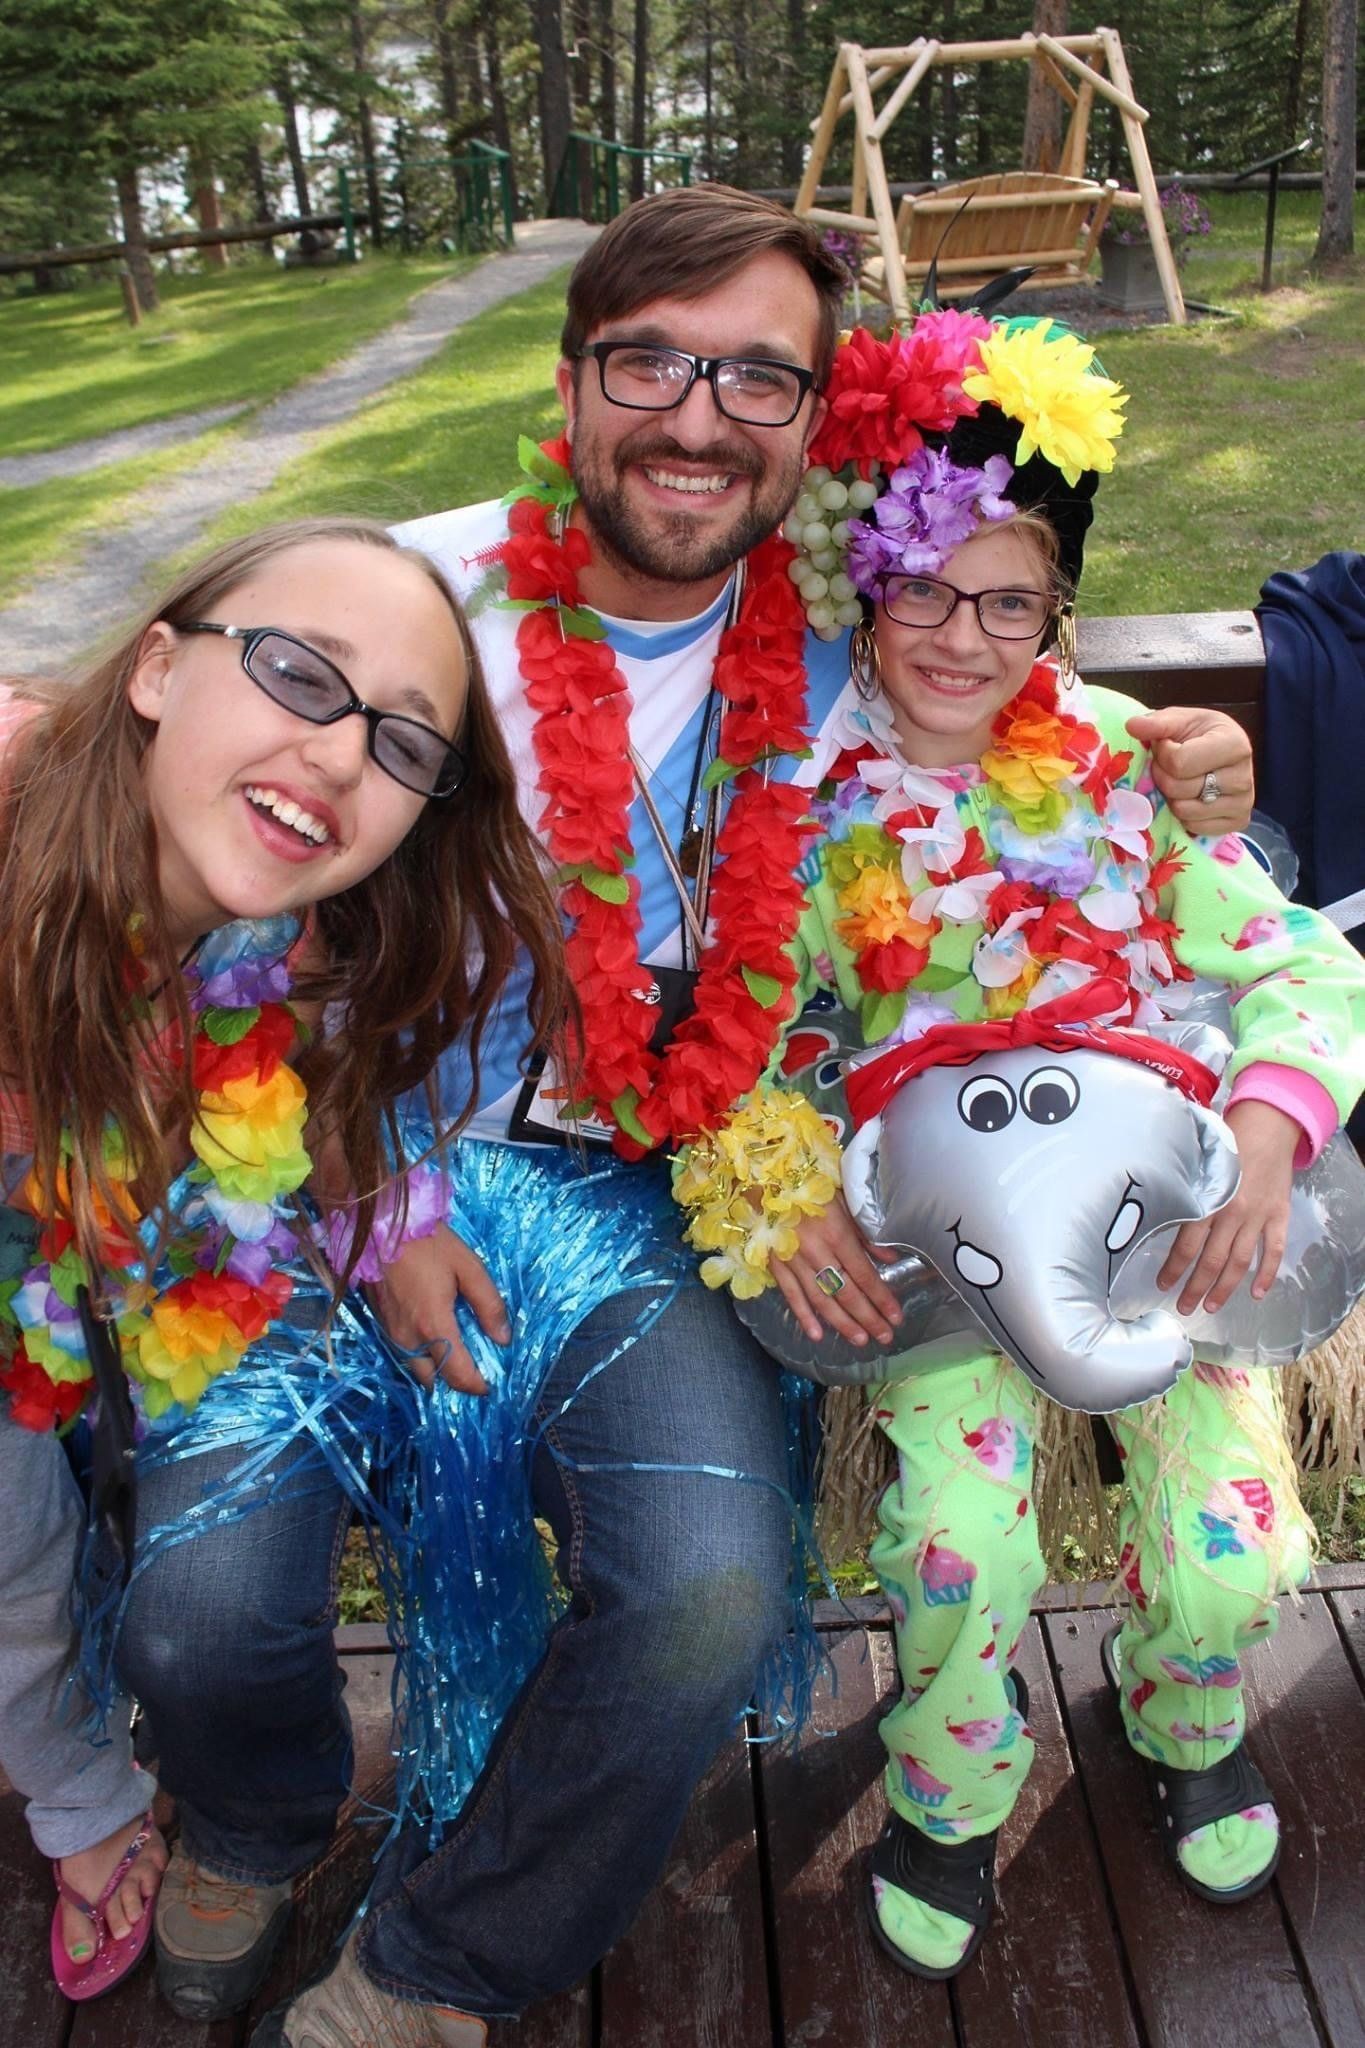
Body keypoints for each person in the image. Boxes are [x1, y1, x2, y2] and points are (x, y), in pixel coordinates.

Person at [105, 189, 1257, 2047]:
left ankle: (439, 1970)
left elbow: (1007, 698)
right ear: (569, 382)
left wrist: (1178, 751)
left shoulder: (835, 633)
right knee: (197, 1614)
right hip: (324, 1157)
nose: (700, 417)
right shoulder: (424, 599)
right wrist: (379, 1203)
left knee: (709, 1594)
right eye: (650, 358)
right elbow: (221, 889)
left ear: (819, 424)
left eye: (759, 378)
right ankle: (249, 1813)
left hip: (640, 1171)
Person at [673, 311, 1365, 1979]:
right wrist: (779, 1186)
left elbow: (1295, 961)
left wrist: (1267, 1138)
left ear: (1054, 609)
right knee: (951, 1548)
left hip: (1166, 1215)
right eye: (923, 590)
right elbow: (741, 1042)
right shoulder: (800, 807)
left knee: (1238, 1549)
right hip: (943, 1240)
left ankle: (1182, 1702)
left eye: (1009, 601)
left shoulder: (1124, 773)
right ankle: (950, 1775)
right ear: (867, 589)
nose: (962, 638)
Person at [0, 516, 564, 2003]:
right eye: (301, 675)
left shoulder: (319, 942)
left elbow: (321, 1106)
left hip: (178, 1241)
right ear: (157, 666)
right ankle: (83, 1799)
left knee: (201, 1609)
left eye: (398, 741)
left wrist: (391, 1222)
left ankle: (255, 1812)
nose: (335, 754)